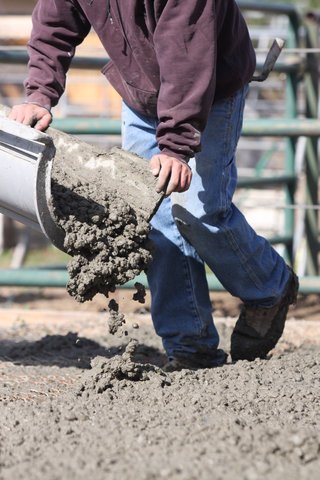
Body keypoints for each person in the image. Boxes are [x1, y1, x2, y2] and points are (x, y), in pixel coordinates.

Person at [10, 0, 299, 370]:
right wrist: (40, 93)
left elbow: (188, 54)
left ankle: (270, 288)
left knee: (198, 211)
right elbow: (54, 23)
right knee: (148, 217)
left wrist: (176, 146)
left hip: (209, 89)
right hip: (142, 94)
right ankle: (190, 347)